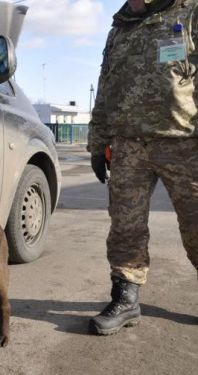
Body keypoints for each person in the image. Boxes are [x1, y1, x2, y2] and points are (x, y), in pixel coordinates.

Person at [88, 0, 198, 335]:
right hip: (127, 145)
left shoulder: (190, 10)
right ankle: (126, 298)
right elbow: (105, 85)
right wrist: (97, 142)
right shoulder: (120, 26)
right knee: (125, 225)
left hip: (183, 141)